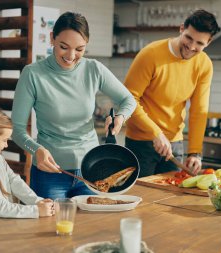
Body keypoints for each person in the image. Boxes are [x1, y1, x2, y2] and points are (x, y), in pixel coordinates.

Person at [11, 12, 136, 199]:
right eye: (64, 47)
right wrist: (36, 150)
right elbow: (17, 130)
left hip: (92, 172)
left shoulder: (94, 69)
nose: (71, 56)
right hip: (50, 174)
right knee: (51, 228)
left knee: (91, 228)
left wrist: (120, 118)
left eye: (79, 49)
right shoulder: (32, 74)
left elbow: (129, 100)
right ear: (52, 38)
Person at [124, 10, 220, 177]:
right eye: (189, 38)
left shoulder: (204, 64)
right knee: (142, 200)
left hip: (174, 144)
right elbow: (127, 99)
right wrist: (155, 132)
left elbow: (199, 110)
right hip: (141, 143)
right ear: (181, 28)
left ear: (209, 42)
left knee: (170, 198)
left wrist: (194, 152)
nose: (191, 47)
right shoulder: (151, 54)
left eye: (199, 43)